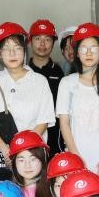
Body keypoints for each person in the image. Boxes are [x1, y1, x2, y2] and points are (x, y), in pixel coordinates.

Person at [0, 22, 56, 187]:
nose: (12, 53)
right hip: (1, 156)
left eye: (17, 48)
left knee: (32, 196)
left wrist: (24, 150)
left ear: (25, 50)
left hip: (32, 157)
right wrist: (6, 150)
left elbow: (43, 121)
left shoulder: (39, 81)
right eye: (6, 49)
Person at [57, 23, 99, 197]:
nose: (88, 53)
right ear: (77, 52)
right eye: (83, 48)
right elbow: (64, 123)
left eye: (94, 48)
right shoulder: (67, 83)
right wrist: (77, 158)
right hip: (78, 164)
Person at [28, 19, 66, 150]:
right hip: (28, 130)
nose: (42, 44)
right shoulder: (22, 71)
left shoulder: (59, 72)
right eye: (38, 38)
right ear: (30, 41)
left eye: (48, 39)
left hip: (54, 134)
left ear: (53, 43)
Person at [8, 130, 55, 197]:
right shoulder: (9, 191)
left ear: (43, 160)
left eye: (33, 159)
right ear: (14, 164)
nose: (27, 166)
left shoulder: (53, 189)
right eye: (21, 160)